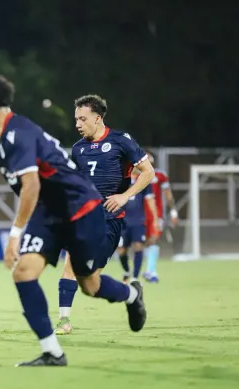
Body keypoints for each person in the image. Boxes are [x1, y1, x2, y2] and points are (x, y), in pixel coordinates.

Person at [0, 73, 147, 366]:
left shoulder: (17, 134)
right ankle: (53, 352)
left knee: (90, 285)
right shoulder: (9, 136)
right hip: (51, 213)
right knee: (24, 272)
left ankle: (130, 295)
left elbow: (32, 186)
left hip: (81, 210)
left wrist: (15, 235)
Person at [54, 95, 154, 335]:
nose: (77, 124)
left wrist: (124, 196)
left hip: (109, 221)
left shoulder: (121, 141)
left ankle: (131, 294)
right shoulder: (78, 149)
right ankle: (63, 321)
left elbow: (147, 172)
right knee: (70, 264)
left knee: (89, 283)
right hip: (83, 218)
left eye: (83, 119)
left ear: (97, 118)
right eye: (76, 119)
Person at [143, 151, 179, 283]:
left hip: (156, 214)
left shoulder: (159, 175)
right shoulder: (133, 174)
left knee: (154, 239)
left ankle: (151, 271)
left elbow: (168, 194)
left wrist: (173, 211)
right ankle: (144, 270)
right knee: (144, 242)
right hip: (138, 215)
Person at [119, 169, 158, 282]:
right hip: (123, 222)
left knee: (138, 246)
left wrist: (155, 219)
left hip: (138, 221)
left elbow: (150, 201)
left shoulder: (144, 181)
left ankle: (135, 277)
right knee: (121, 250)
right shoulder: (121, 180)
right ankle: (127, 271)